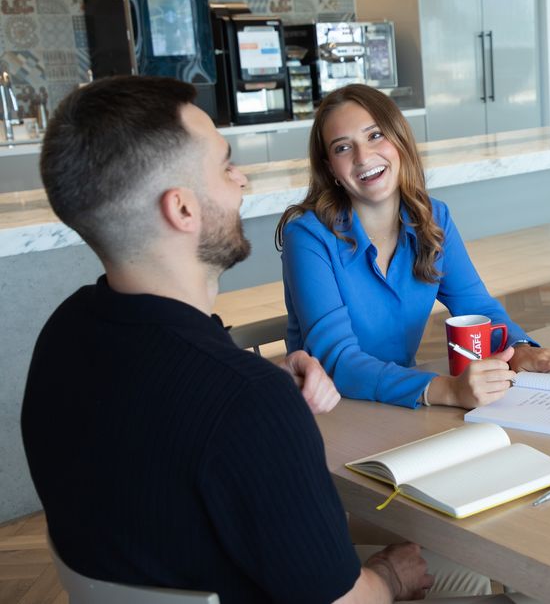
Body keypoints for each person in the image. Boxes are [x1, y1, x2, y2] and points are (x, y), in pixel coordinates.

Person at [20, 75, 492, 603]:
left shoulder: (62, 336)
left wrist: (265, 382)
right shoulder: (247, 405)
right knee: (476, 573)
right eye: (225, 166)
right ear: (182, 209)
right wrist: (390, 577)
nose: (241, 180)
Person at [277, 84, 550, 409]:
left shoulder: (433, 217)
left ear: (400, 139)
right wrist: (447, 391)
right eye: (342, 148)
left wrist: (521, 350)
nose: (363, 157)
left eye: (375, 135)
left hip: (401, 404)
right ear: (330, 169)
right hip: (331, 412)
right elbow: (337, 361)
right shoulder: (308, 236)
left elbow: (479, 309)